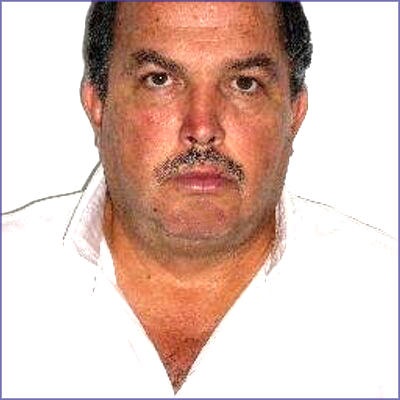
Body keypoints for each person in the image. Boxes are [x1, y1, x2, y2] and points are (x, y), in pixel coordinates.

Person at [2, 2, 397, 398]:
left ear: (294, 114)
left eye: (244, 83)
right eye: (159, 80)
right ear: (97, 105)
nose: (203, 127)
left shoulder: (384, 307)